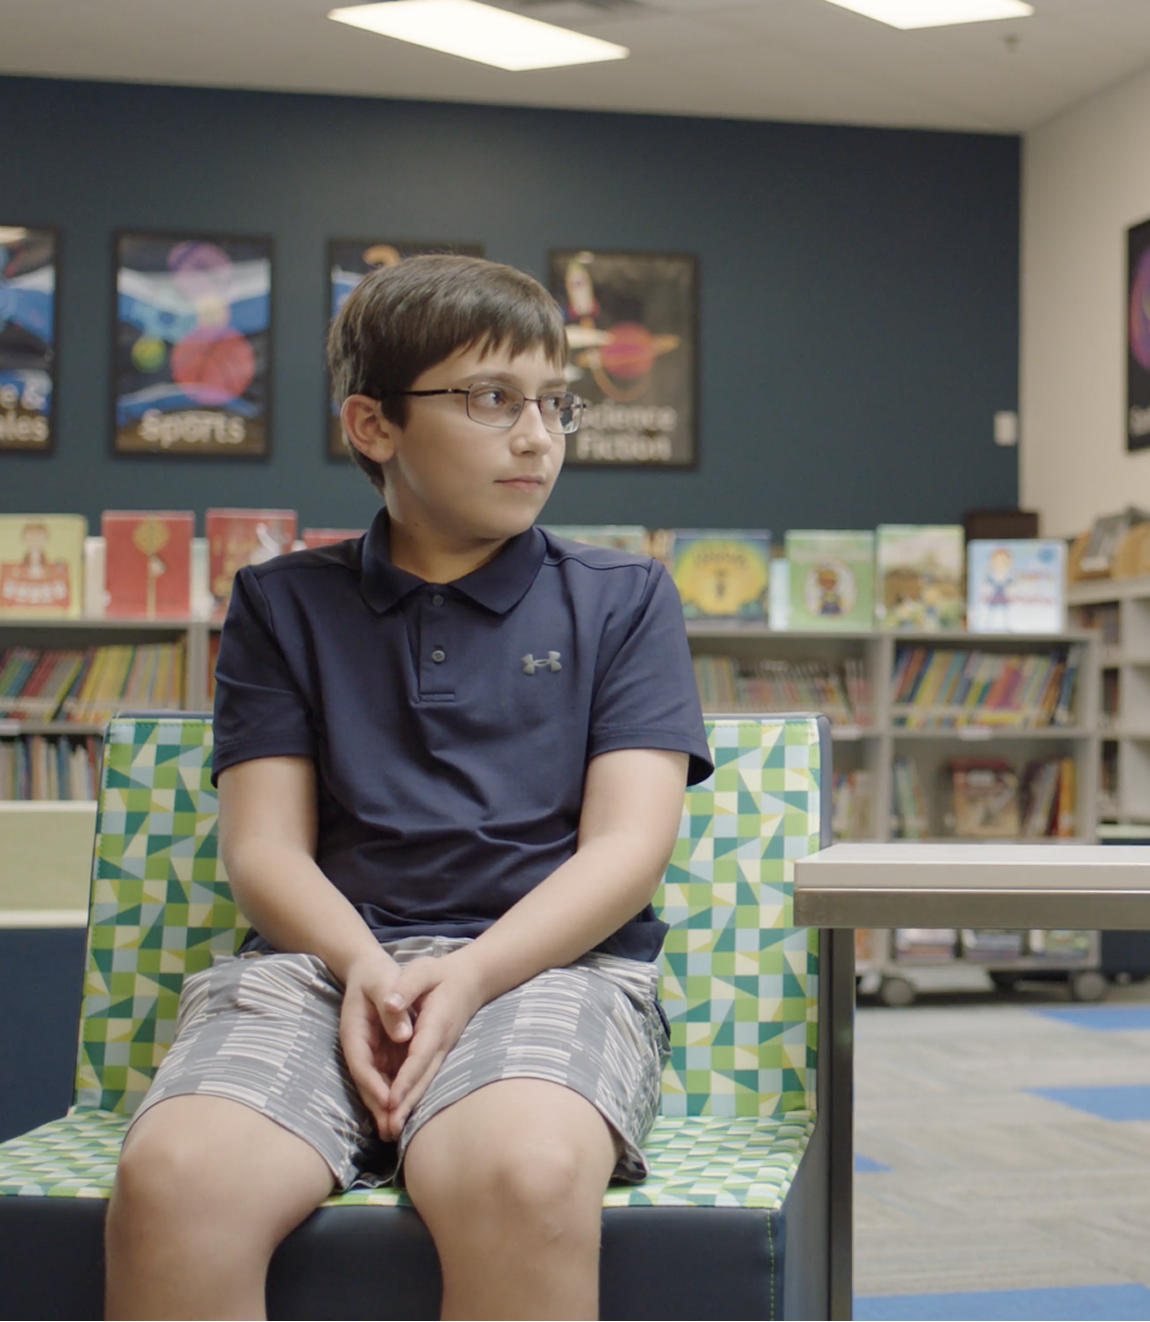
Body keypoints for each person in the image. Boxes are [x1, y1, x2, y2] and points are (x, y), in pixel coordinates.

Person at [105, 255, 714, 1319]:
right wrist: (364, 968)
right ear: (373, 424)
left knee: (521, 1172)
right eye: (491, 399)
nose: (538, 436)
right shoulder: (280, 601)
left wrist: (471, 973)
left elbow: (628, 848)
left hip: (549, 969)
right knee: (175, 1178)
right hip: (322, 967)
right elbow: (265, 849)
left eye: (554, 403)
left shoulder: (626, 597)